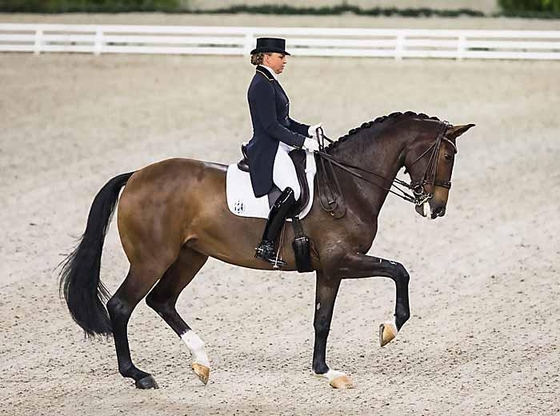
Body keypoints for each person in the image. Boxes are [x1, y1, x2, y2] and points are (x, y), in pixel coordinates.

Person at [245, 37, 321, 266]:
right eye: (281, 57)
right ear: (266, 57)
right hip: (268, 147)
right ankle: (266, 243)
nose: (284, 61)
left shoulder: (270, 80)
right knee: (294, 190)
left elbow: (284, 121)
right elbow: (270, 126)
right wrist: (302, 142)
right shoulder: (261, 84)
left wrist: (307, 130)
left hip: (279, 142)